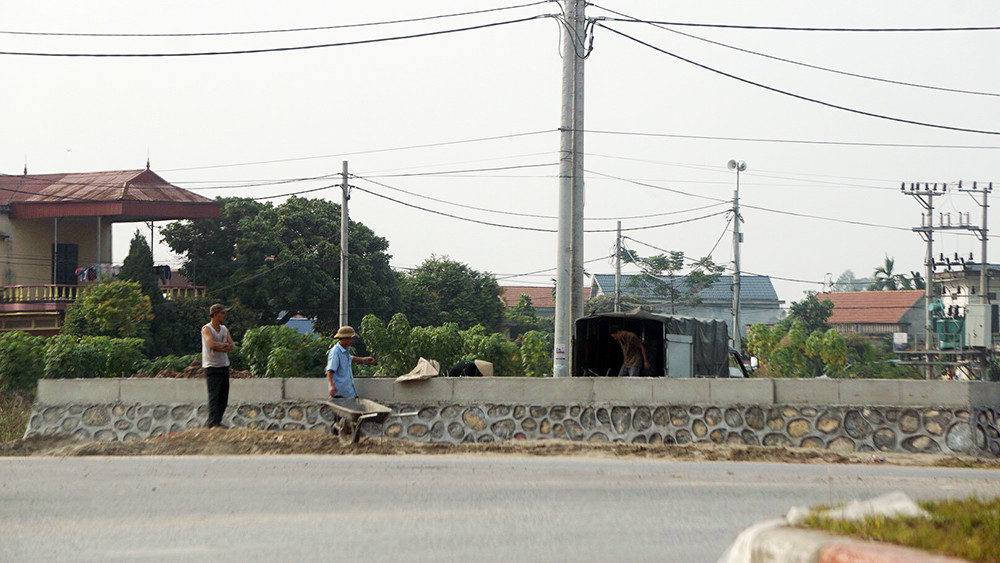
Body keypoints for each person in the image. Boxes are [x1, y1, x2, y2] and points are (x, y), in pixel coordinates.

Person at [202, 303, 235, 428]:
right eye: (222, 313)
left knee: (223, 397)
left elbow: (231, 345)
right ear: (215, 314)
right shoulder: (207, 329)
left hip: (224, 366)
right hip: (212, 367)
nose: (225, 315)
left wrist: (221, 346)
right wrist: (223, 346)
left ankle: (218, 421)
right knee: (214, 396)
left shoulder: (224, 329)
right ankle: (213, 422)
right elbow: (212, 344)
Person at [326, 326, 376, 399]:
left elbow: (350, 358)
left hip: (348, 392)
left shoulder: (345, 350)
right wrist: (332, 386)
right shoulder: (335, 352)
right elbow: (330, 370)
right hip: (339, 393)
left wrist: (365, 359)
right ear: (344, 338)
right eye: (350, 338)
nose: (352, 341)